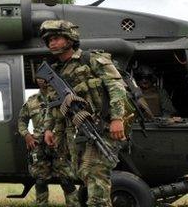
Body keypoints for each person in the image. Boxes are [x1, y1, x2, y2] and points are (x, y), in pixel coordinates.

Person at [40, 20, 132, 207]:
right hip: (72, 134)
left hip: (99, 128)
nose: (51, 43)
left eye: (56, 38)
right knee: (83, 173)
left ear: (70, 39)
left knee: (95, 175)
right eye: (49, 40)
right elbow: (52, 103)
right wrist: (48, 129)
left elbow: (117, 89)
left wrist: (116, 118)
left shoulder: (92, 59)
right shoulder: (55, 71)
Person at [17, 76, 79, 206]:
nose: (41, 80)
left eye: (44, 77)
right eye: (38, 77)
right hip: (39, 146)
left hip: (60, 144)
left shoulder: (63, 97)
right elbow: (22, 121)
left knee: (66, 180)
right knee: (40, 180)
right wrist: (27, 135)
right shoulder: (32, 101)